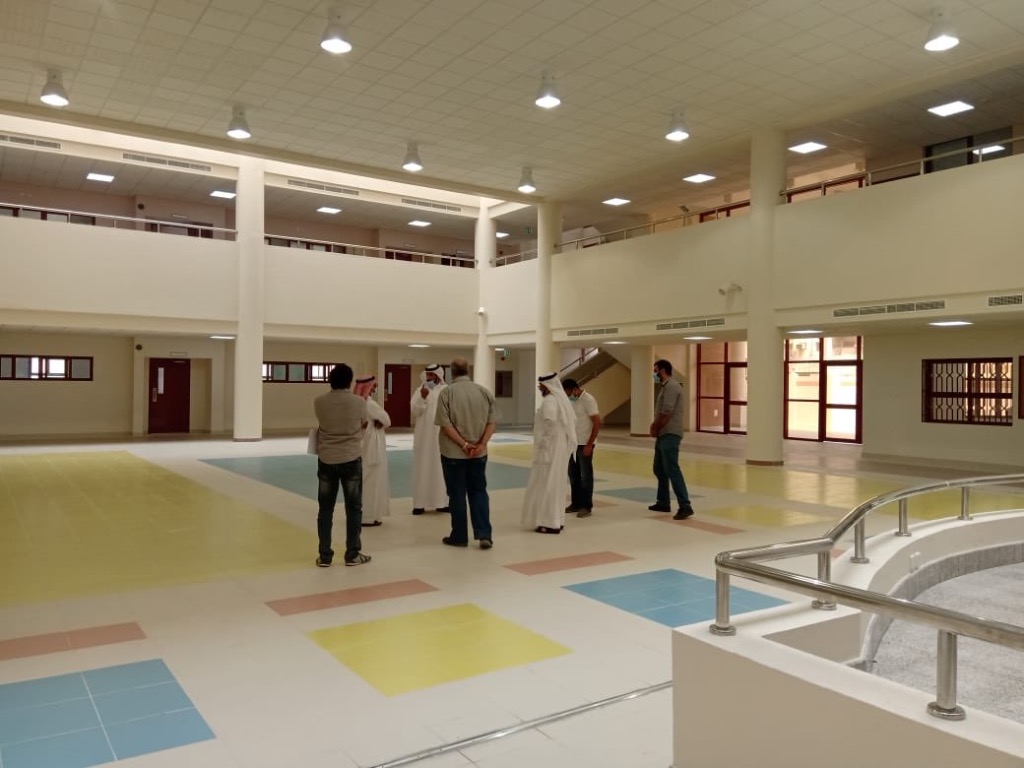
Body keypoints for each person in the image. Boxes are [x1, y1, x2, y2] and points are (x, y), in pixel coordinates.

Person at [312, 364, 371, 567]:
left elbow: (322, 424)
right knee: (353, 508)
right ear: (349, 381)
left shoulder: (319, 402)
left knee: (325, 509)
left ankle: (325, 556)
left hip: (327, 459)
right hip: (351, 458)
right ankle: (352, 554)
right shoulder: (359, 402)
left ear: (330, 380)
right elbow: (363, 423)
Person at [435, 356, 496, 549]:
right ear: (468, 370)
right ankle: (484, 534)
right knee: (479, 492)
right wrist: (481, 444)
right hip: (479, 454)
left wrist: (464, 445)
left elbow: (446, 426)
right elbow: (491, 423)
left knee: (457, 495)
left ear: (452, 371)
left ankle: (459, 537)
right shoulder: (484, 392)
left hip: (453, 454)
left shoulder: (447, 393)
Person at [522, 372, 577, 534]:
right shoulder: (560, 400)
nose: (540, 388)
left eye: (541, 386)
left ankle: (549, 523)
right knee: (556, 484)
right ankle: (557, 520)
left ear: (548, 386)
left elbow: (550, 424)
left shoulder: (550, 401)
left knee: (547, 484)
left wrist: (543, 446)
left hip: (550, 449)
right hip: (558, 447)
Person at [649, 359, 694, 520]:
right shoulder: (665, 387)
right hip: (663, 434)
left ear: (662, 371)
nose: (654, 374)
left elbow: (667, 411)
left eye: (655, 371)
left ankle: (685, 505)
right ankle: (663, 501)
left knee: (672, 469)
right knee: (659, 468)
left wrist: (655, 426)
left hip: (670, 434)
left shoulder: (672, 386)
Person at [410, 364, 449, 515]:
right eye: (427, 375)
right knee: (422, 467)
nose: (429, 378)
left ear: (438, 376)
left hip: (440, 435)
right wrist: (423, 398)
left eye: (432, 375)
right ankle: (419, 504)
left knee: (440, 469)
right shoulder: (420, 390)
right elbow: (414, 410)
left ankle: (441, 502)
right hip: (424, 437)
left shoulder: (446, 390)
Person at [562, 377, 601, 518]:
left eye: (568, 393)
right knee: (573, 475)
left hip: (585, 443)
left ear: (575, 389)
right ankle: (576, 503)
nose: (567, 396)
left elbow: (597, 422)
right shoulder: (572, 401)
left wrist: (590, 444)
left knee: (586, 476)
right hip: (573, 443)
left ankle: (586, 506)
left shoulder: (588, 400)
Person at [354, 374, 390, 526]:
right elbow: (387, 420)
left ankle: (363, 514)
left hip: (359, 446)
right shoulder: (369, 404)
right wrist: (377, 421)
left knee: (362, 480)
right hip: (371, 447)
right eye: (373, 385)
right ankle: (369, 516)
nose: (375, 388)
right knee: (371, 481)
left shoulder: (354, 403)